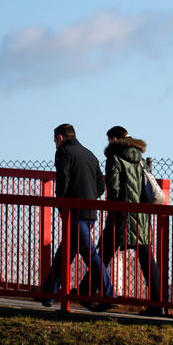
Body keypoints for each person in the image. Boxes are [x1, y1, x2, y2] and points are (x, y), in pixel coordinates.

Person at [39, 123, 115, 311]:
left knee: (89, 254)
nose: (55, 143)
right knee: (64, 253)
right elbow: (100, 186)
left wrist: (62, 204)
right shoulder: (90, 154)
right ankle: (48, 293)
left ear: (61, 138)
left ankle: (109, 294)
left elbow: (63, 180)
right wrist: (89, 198)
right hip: (90, 213)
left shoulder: (64, 152)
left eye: (55, 140)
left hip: (74, 212)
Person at [101, 125, 164, 317]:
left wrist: (111, 207)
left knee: (102, 255)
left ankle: (87, 293)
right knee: (146, 258)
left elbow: (113, 190)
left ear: (113, 139)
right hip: (141, 217)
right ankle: (157, 304)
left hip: (120, 216)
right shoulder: (140, 159)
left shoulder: (114, 157)